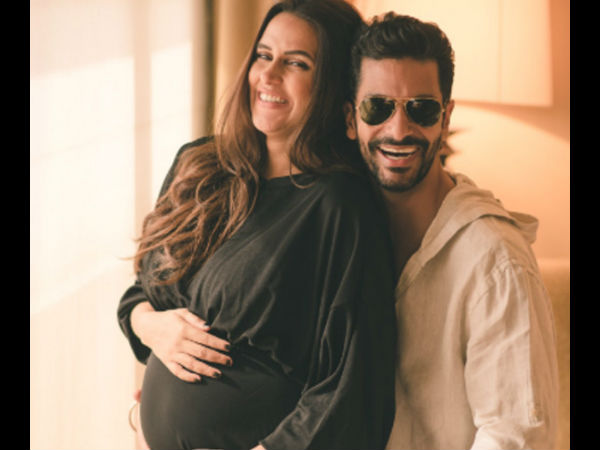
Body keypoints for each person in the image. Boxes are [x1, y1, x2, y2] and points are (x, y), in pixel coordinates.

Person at [117, 1, 397, 449]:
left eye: (296, 63)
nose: (268, 75)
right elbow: (141, 291)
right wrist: (152, 327)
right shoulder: (198, 165)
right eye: (263, 55)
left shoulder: (338, 206)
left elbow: (350, 382)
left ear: (331, 85)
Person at [342, 12, 560, 450]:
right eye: (378, 107)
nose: (398, 130)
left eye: (421, 109)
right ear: (351, 119)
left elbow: (515, 438)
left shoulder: (496, 260)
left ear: (445, 118)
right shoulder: (341, 232)